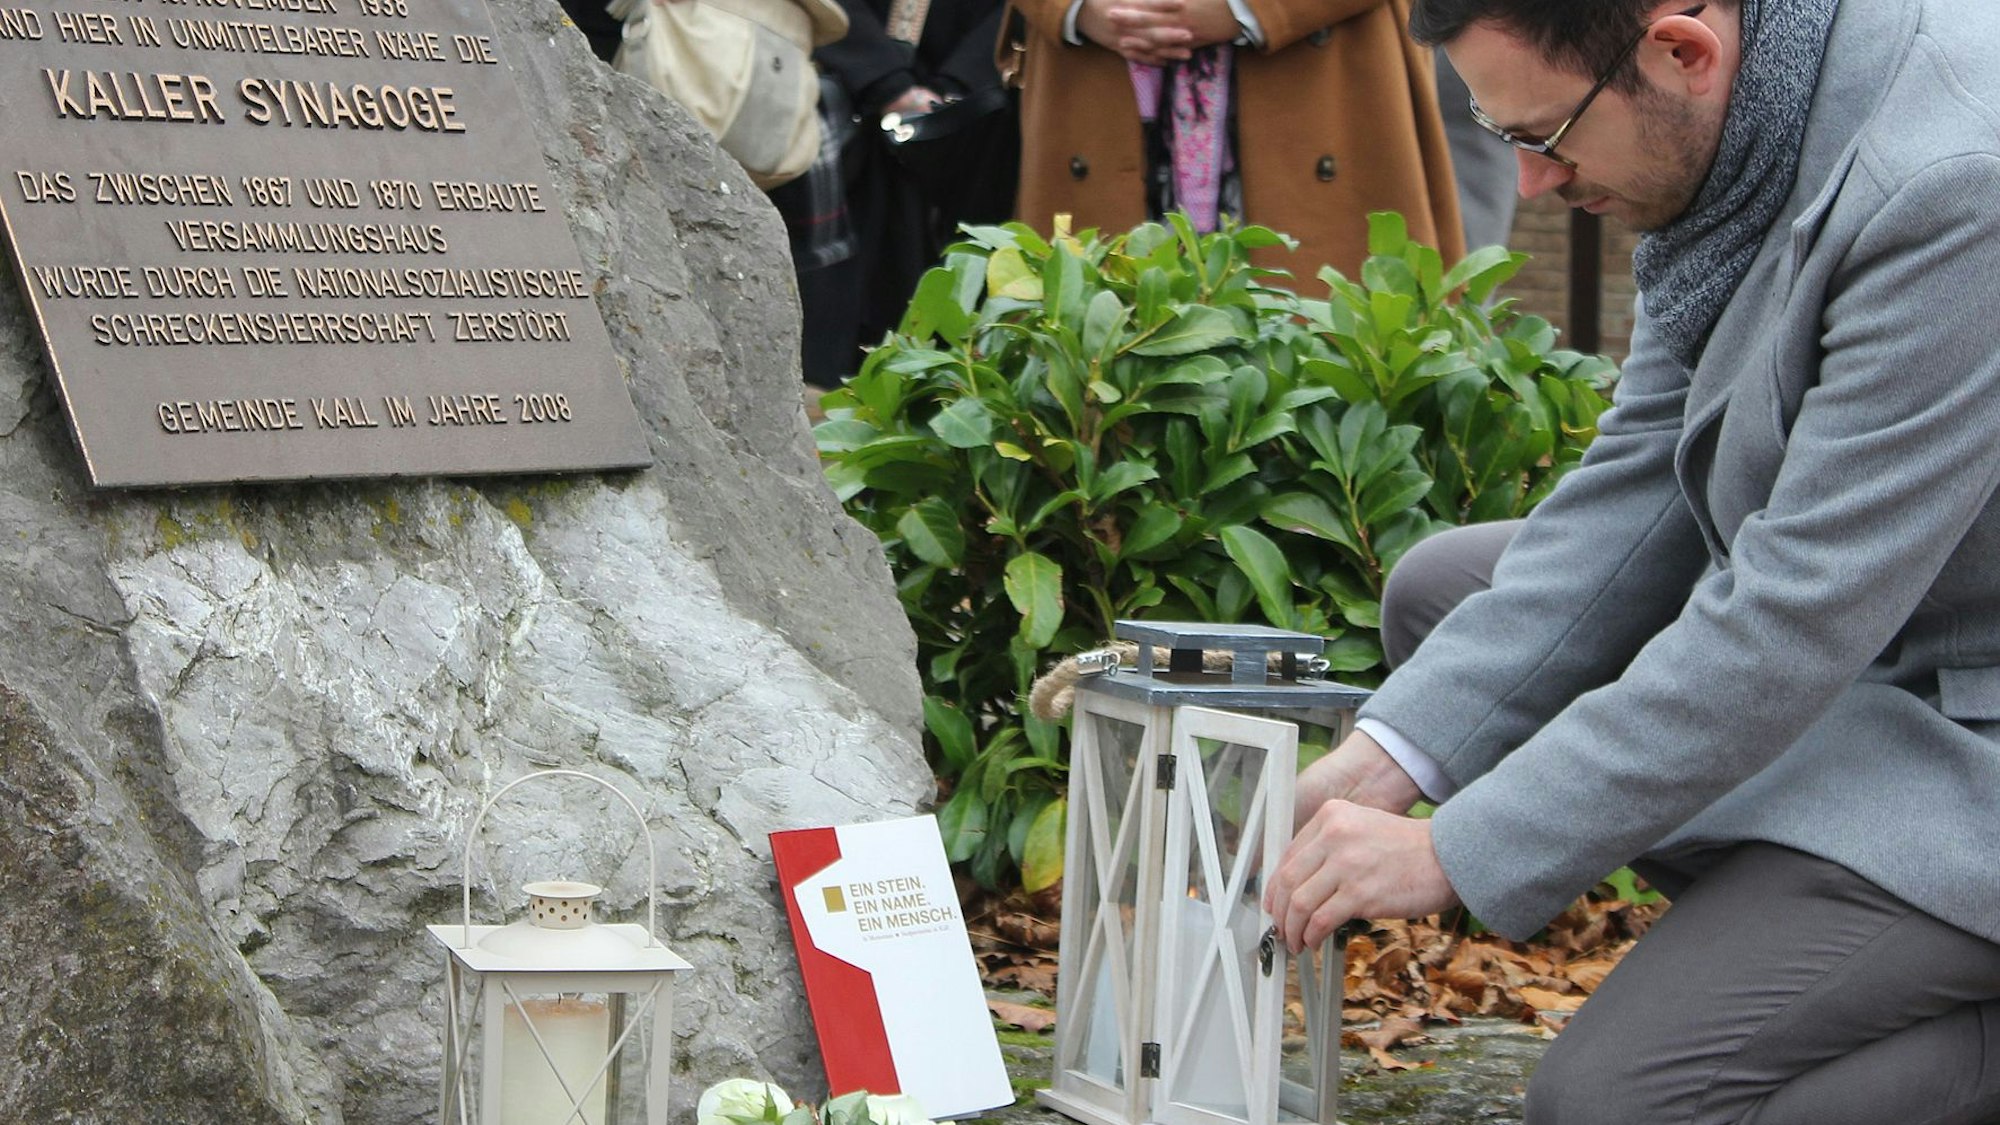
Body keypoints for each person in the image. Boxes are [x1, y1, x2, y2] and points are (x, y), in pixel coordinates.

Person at [1260, 0, 2000, 1121]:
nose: (1530, 190)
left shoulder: (1953, 179)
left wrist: (1456, 849)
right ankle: (1827, 932)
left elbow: (1795, 615)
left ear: (1681, 51)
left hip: (1963, 704)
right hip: (1887, 633)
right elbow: (1650, 465)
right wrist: (1386, 759)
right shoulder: (1750, 119)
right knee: (1444, 599)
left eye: (1543, 138)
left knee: (1618, 1105)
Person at [1009, 0, 1463, 276]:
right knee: (1095, 380)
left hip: (1317, 93)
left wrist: (1251, 9)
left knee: (1322, 390)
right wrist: (1077, 9)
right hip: (1099, 99)